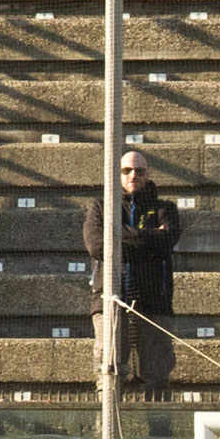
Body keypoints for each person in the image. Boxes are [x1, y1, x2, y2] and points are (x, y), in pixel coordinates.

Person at [84, 148, 180, 389]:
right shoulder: (101, 207)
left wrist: (118, 235)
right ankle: (107, 416)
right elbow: (98, 246)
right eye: (126, 170)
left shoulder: (166, 208)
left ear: (148, 174)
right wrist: (149, 237)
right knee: (108, 377)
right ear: (117, 174)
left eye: (139, 171)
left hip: (154, 302)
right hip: (110, 300)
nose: (133, 175)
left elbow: (167, 240)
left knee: (157, 378)